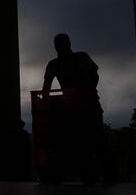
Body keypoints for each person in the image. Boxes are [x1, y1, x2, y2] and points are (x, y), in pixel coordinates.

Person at [42, 34, 114, 184]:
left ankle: (99, 174)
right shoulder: (70, 60)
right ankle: (97, 174)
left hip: (84, 104)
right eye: (59, 44)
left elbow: (46, 89)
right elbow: (46, 88)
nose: (60, 47)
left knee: (93, 140)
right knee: (88, 140)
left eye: (62, 44)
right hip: (77, 106)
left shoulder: (60, 63)